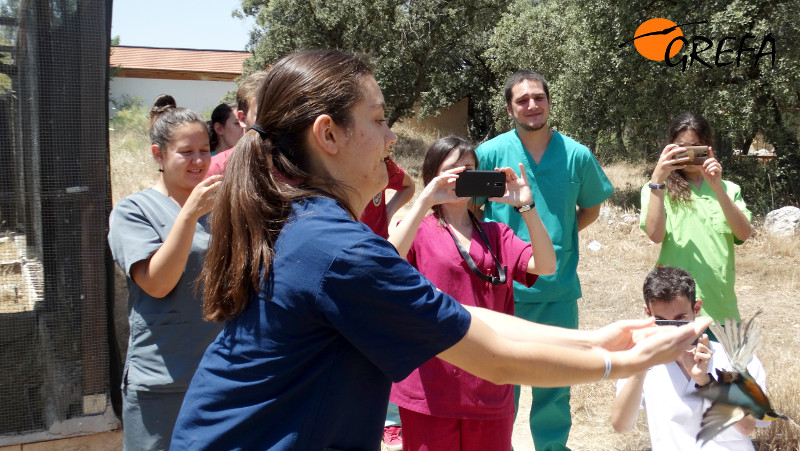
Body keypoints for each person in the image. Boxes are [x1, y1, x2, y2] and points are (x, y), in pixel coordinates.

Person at [169, 49, 707, 450]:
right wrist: (622, 362)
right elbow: (494, 359)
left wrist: (592, 338)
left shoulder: (307, 225)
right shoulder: (334, 249)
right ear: (328, 135)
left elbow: (454, 312)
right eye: (378, 119)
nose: (390, 138)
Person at [474, 70, 615, 450]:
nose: (532, 105)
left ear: (550, 102)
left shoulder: (576, 155)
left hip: (557, 291)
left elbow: (590, 208)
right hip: (502, 291)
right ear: (509, 109)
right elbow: (470, 209)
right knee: (501, 386)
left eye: (539, 97)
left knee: (555, 386)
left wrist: (551, 248)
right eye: (522, 100)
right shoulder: (490, 155)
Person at [388, 136, 556, 450]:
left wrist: (527, 206)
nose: (463, 176)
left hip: (488, 382)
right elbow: (386, 263)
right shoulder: (415, 229)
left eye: (470, 170)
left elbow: (546, 265)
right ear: (434, 176)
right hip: (430, 387)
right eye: (454, 170)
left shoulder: (496, 233)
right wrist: (424, 200)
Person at [107, 106, 223, 450]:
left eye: (204, 150)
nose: (198, 161)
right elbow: (157, 284)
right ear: (159, 154)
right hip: (163, 380)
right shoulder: (133, 211)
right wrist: (189, 215)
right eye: (186, 152)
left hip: (219, 373)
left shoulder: (220, 208)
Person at [611, 266, 769, 450]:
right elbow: (621, 426)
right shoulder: (641, 362)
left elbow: (747, 427)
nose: (673, 331)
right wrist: (641, 367)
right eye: (662, 321)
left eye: (680, 319)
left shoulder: (735, 359)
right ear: (648, 314)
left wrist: (706, 382)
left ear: (697, 308)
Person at [640, 112, 752, 326]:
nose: (688, 154)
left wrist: (717, 187)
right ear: (669, 148)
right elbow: (655, 235)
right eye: (681, 147)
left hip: (720, 307)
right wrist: (657, 179)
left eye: (695, 147)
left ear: (708, 147)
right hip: (674, 309)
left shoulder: (729, 189)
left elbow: (744, 233)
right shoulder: (656, 189)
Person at [358, 156, 415, 450]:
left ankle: (391, 419)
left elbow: (409, 186)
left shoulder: (382, 162)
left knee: (387, 338)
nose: (389, 137)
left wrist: (387, 213)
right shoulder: (330, 162)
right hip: (342, 255)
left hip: (378, 255)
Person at [205, 71, 268, 177]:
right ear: (242, 119)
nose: (273, 120)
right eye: (262, 113)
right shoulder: (215, 169)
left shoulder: (295, 165)